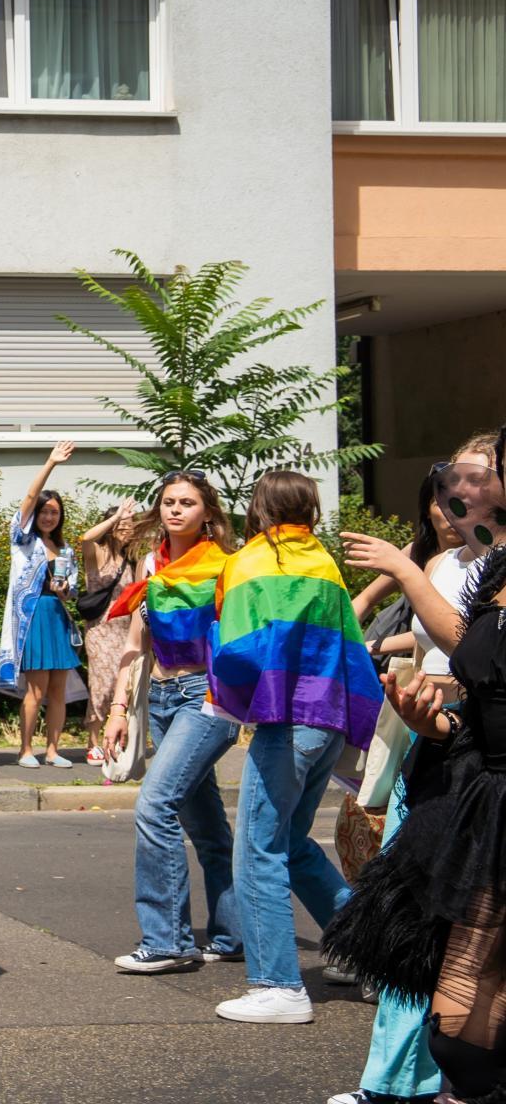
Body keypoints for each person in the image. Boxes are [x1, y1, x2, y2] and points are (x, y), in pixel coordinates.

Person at [323, 429, 506, 1104]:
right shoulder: (480, 564)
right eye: (451, 479)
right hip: (460, 761)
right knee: (454, 1015)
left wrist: (397, 574)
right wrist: (441, 721)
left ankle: (399, 1085)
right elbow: (482, 674)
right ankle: (400, 1082)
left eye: (478, 475)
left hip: (482, 785)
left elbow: (469, 655)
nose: (458, 490)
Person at [208, 471, 382, 1024]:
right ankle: (374, 953)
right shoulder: (324, 563)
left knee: (258, 849)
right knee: (290, 844)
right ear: (311, 509)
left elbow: (236, 651)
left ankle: (279, 986)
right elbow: (349, 645)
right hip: (328, 716)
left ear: (258, 508)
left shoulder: (248, 562)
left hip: (284, 720)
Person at [102, 469, 242, 974]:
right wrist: (119, 710)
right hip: (159, 698)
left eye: (186, 502)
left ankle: (168, 942)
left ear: (207, 511)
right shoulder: (152, 565)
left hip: (204, 698)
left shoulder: (226, 566)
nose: (175, 509)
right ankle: (231, 934)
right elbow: (135, 646)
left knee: (155, 804)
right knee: (204, 825)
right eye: (167, 501)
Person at [0, 442, 82, 768]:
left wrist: (64, 591)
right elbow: (29, 499)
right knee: (36, 690)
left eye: (54, 512)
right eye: (44, 511)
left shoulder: (65, 549)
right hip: (32, 618)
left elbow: (71, 591)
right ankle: (25, 750)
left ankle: (52, 750)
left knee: (59, 691)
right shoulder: (23, 540)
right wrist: (50, 462)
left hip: (57, 616)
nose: (48, 516)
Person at [79, 499, 144, 766]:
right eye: (121, 525)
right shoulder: (99, 553)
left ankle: (116, 739)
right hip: (100, 629)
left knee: (124, 685)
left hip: (126, 630)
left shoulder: (133, 558)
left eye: (129, 526)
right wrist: (115, 515)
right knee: (102, 684)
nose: (125, 529)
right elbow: (85, 537)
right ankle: (93, 742)